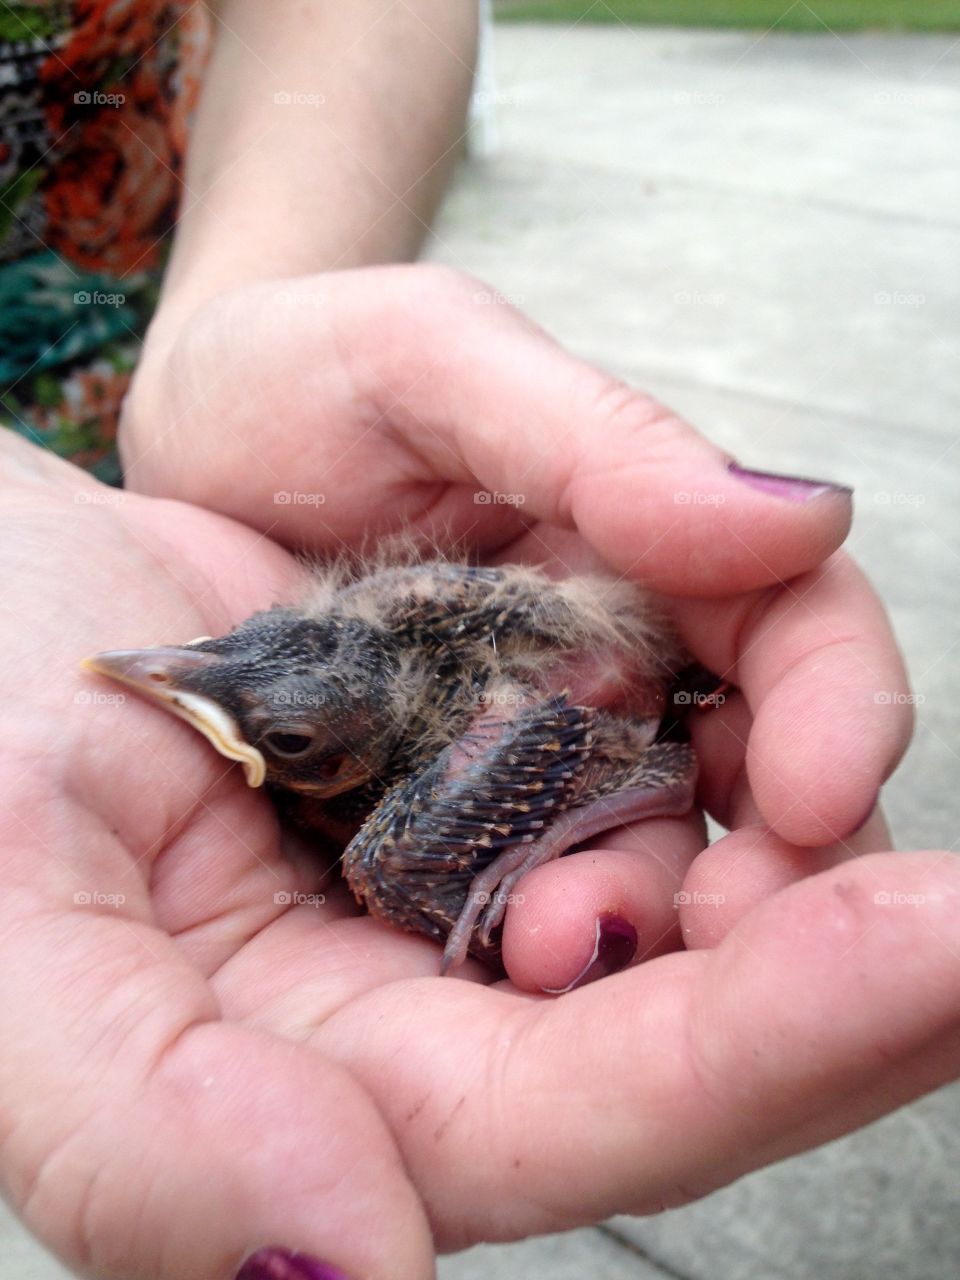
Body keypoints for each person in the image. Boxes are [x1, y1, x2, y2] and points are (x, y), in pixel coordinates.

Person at [1, 4, 956, 1280]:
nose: (189, 675)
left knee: (392, 869)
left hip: (156, 363)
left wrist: (242, 314)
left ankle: (606, 790)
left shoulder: (390, 807)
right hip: (84, 452)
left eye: (292, 738)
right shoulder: (343, 633)